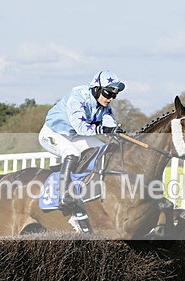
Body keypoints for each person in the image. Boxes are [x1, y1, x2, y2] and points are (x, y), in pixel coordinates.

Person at [39, 70, 126, 209]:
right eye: (108, 93)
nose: (110, 98)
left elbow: (110, 127)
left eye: (114, 95)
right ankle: (64, 194)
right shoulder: (78, 96)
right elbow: (81, 127)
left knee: (104, 150)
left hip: (74, 135)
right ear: (96, 89)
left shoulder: (105, 107)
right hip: (52, 133)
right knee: (71, 153)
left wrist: (117, 133)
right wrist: (104, 129)